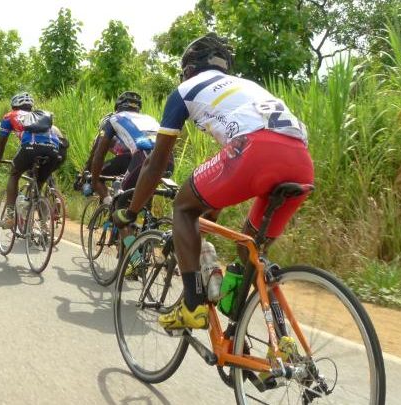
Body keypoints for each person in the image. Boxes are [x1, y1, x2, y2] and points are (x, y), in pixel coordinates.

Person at [112, 33, 313, 330]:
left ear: (189, 68)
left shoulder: (185, 89)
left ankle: (192, 306)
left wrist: (130, 212)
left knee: (183, 207)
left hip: (255, 149)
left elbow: (154, 165)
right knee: (250, 252)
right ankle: (266, 340)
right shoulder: (247, 86)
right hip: (301, 161)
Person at [0, 92, 63, 229]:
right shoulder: (41, 115)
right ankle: (44, 221)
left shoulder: (10, 116)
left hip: (31, 148)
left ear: (14, 105)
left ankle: (10, 215)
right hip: (54, 149)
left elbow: (0, 147)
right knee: (39, 183)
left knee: (14, 174)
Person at [90, 91, 173, 206]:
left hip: (143, 157)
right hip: (169, 158)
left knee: (120, 202)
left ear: (117, 108)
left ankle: (125, 219)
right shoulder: (150, 119)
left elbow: (99, 155)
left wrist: (94, 182)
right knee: (145, 192)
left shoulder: (114, 119)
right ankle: (148, 220)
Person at [75, 112, 131, 194]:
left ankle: (106, 200)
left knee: (96, 175)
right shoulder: (126, 130)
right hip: (138, 160)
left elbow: (94, 157)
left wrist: (84, 178)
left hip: (124, 159)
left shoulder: (105, 133)